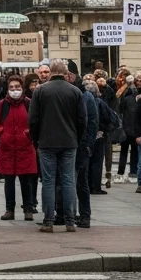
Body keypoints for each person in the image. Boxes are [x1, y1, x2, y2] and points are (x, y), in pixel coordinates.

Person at [28, 58, 87, 233]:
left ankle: (48, 221)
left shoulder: (40, 91)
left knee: (48, 181)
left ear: (51, 72)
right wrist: (76, 137)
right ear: (65, 73)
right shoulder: (75, 91)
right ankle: (70, 221)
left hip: (46, 142)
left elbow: (33, 120)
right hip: (69, 141)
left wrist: (36, 139)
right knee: (68, 181)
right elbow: (82, 120)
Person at [0, 74, 38, 220]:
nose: (14, 90)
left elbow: (35, 121)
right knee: (9, 181)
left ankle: (28, 208)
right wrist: (2, 133)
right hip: (7, 148)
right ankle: (9, 209)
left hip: (25, 148)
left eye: (17, 87)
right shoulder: (2, 105)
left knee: (26, 180)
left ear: (22, 88)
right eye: (11, 87)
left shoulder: (29, 103)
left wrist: (28, 135)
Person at [75, 79, 100, 229]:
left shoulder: (86, 96)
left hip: (81, 144)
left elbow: (92, 122)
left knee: (80, 181)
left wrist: (88, 144)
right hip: (74, 143)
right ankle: (70, 214)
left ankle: (84, 215)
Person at [113, 72, 141, 184]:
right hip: (133, 128)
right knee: (134, 152)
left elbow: (120, 111)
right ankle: (133, 172)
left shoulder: (123, 94)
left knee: (124, 151)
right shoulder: (136, 96)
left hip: (126, 127)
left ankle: (121, 172)